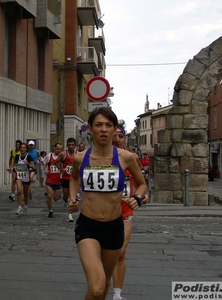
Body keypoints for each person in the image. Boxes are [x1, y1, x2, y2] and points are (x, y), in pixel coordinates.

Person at [68, 107, 147, 300]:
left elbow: (143, 184)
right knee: (96, 288)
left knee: (102, 290)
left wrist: (136, 198)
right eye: (99, 125)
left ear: (114, 130)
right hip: (88, 226)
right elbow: (74, 179)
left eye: (108, 125)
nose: (103, 129)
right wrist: (72, 198)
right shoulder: (80, 158)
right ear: (90, 129)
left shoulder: (126, 157)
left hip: (114, 227)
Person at [111, 126, 147, 300]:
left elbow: (140, 182)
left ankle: (117, 294)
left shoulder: (132, 158)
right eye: (114, 136)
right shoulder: (100, 158)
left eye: (121, 136)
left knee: (121, 252)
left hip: (125, 211)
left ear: (125, 139)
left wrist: (141, 196)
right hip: (103, 212)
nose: (118, 139)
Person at [9, 143, 34, 215]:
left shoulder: (29, 157)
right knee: (19, 191)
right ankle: (19, 207)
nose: (22, 149)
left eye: (24, 148)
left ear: (26, 149)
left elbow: (33, 166)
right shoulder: (17, 156)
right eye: (21, 148)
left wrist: (28, 164)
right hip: (19, 175)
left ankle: (25, 206)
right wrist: (10, 168)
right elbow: (14, 163)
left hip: (26, 176)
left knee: (26, 193)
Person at [55, 138, 77, 222]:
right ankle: (65, 201)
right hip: (65, 178)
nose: (71, 147)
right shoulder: (63, 154)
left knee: (72, 197)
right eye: (69, 145)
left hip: (74, 179)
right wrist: (61, 169)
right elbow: (56, 162)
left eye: (72, 145)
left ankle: (70, 215)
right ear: (67, 145)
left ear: (75, 145)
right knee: (65, 196)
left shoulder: (78, 154)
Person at [42, 143, 62, 218]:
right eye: (58, 149)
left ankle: (58, 195)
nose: (59, 150)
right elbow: (44, 163)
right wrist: (45, 169)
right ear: (54, 148)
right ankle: (50, 210)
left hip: (58, 180)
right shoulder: (49, 156)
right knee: (49, 195)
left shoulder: (62, 157)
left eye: (60, 149)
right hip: (50, 179)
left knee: (55, 198)